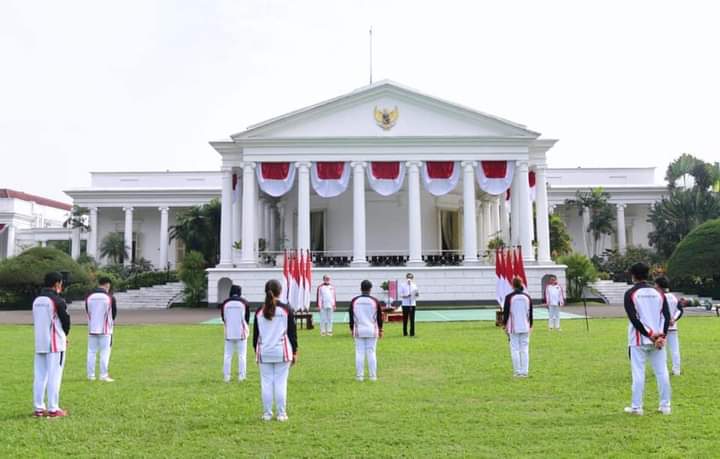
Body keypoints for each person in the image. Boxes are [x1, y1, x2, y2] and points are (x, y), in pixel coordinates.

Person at [623, 262, 671, 416]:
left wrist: (650, 335)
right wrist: (661, 336)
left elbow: (634, 319)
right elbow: (666, 316)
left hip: (639, 339)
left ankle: (637, 407)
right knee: (662, 372)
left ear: (633, 276)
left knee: (638, 373)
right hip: (658, 340)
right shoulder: (659, 293)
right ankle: (665, 406)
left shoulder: (630, 293)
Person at [253, 279, 298, 422]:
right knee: (280, 383)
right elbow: (292, 333)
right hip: (282, 351)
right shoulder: (286, 309)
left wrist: (256, 351)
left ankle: (267, 414)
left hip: (264, 351)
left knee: (266, 383)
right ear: (280, 291)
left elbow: (256, 335)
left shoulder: (259, 311)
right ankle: (281, 414)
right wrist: (295, 351)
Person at [32, 272, 71, 418]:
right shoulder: (57, 300)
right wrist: (64, 335)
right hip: (55, 344)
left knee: (40, 375)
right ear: (57, 283)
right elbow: (66, 321)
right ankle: (54, 409)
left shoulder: (36, 300)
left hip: (40, 342)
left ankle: (39, 408)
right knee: (55, 375)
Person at [348, 280, 384, 381]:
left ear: (361, 288)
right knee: (371, 352)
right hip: (371, 329)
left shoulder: (354, 300)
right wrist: (381, 329)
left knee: (359, 352)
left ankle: (360, 376)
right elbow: (379, 317)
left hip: (359, 329)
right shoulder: (374, 301)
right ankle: (373, 376)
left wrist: (351, 328)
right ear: (370, 289)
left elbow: (351, 316)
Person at [85, 276, 117, 382]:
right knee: (105, 352)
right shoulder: (110, 298)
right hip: (106, 328)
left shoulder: (89, 297)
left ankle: (91, 375)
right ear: (107, 284)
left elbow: (87, 310)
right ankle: (103, 375)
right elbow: (113, 314)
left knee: (91, 352)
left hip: (92, 328)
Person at [502, 277, 533, 377]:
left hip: (513, 326)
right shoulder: (527, 297)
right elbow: (531, 313)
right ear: (521, 284)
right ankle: (525, 371)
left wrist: (504, 324)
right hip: (525, 325)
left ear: (512, 285)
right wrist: (531, 325)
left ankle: (518, 371)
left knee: (515, 349)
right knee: (524, 349)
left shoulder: (509, 297)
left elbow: (506, 313)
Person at [654, 276, 684, 376]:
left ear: (658, 285)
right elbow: (680, 310)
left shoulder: (659, 298)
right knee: (675, 349)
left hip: (662, 328)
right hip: (673, 327)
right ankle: (677, 370)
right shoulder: (674, 297)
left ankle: (663, 370)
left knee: (662, 349)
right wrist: (674, 319)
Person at [221, 285, 250, 382]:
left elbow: (223, 318)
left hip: (229, 332)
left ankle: (226, 377)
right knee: (242, 355)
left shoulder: (225, 303)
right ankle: (241, 377)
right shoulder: (244, 302)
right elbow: (247, 319)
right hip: (241, 333)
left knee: (227, 355)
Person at [398, 272, 419, 337]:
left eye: (411, 277)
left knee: (412, 319)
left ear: (412, 278)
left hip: (412, 304)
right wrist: (407, 295)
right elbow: (400, 295)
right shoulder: (402, 285)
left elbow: (417, 294)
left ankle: (412, 333)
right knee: (405, 319)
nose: (409, 279)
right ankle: (405, 333)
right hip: (405, 304)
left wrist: (416, 294)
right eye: (408, 277)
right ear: (406, 278)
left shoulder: (414, 285)